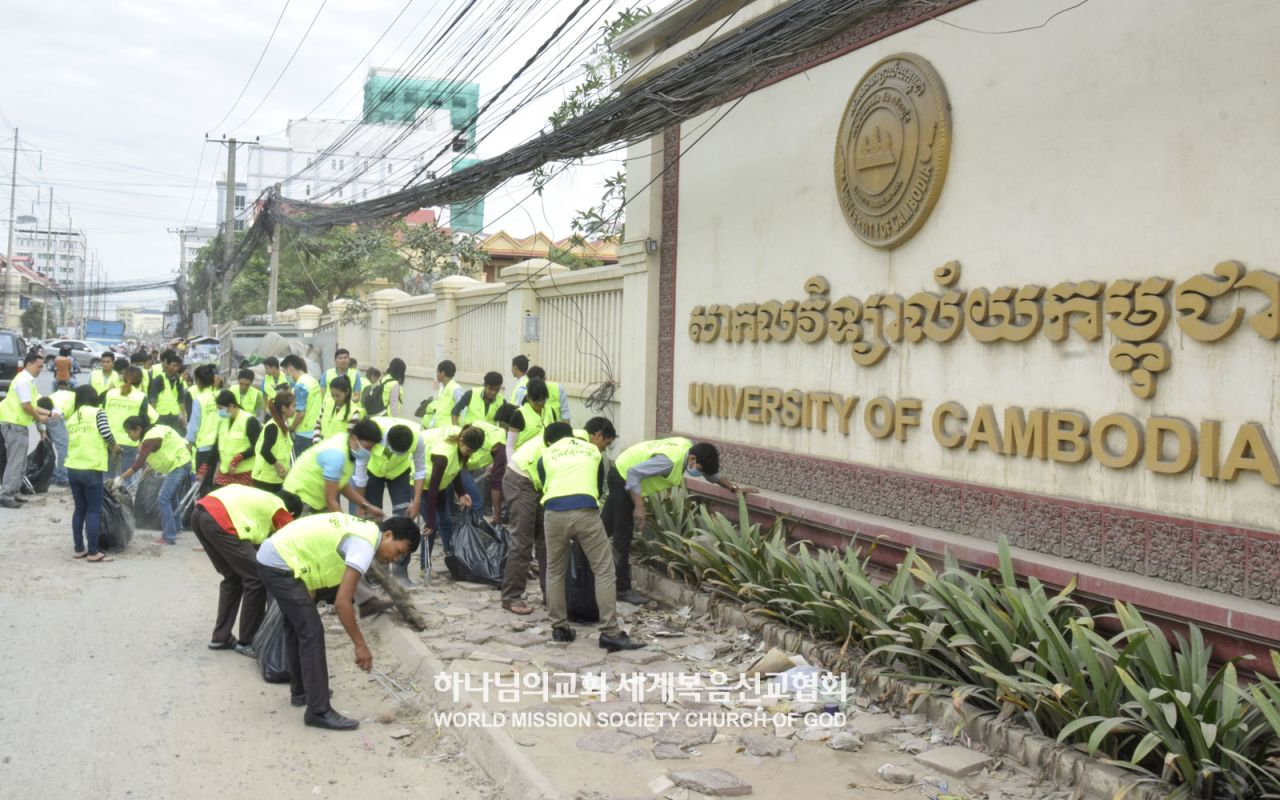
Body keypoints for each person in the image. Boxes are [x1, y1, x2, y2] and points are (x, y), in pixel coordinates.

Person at [256, 513, 421, 730]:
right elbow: (343, 602)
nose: (396, 559)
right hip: (279, 562)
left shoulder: (366, 532)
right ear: (388, 535)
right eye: (398, 551)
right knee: (312, 631)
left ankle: (302, 691)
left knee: (297, 625)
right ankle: (318, 710)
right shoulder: (364, 545)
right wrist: (360, 645)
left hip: (278, 556)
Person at [603, 438, 753, 605]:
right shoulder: (668, 462)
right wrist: (639, 505)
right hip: (623, 477)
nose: (698, 473)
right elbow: (633, 473)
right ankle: (623, 589)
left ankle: (581, 556)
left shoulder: (690, 448)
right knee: (622, 536)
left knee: (603, 528)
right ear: (692, 459)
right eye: (699, 469)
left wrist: (734, 489)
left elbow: (711, 474)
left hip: (624, 469)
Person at [536, 423, 640, 650]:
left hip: (554, 513)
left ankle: (560, 629)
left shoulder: (545, 454)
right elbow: (597, 485)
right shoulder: (592, 450)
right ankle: (610, 632)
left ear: (550, 441)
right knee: (604, 570)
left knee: (554, 570)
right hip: (585, 511)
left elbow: (546, 484)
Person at [501, 417, 615, 615]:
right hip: (521, 477)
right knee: (523, 540)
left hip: (540, 485)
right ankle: (512, 596)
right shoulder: (580, 442)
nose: (604, 450)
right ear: (597, 436)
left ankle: (553, 598)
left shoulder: (578, 440)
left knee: (546, 543)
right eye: (606, 444)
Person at [191, 484, 302, 654]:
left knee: (233, 577)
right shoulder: (280, 509)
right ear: (292, 514)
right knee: (256, 578)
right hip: (219, 520)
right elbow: (287, 545)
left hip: (200, 513)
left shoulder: (263, 498)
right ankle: (248, 641)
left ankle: (221, 637)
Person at [405, 425, 484, 584]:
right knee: (430, 527)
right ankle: (424, 566)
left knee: (447, 522)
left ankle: (453, 558)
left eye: (474, 451)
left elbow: (455, 471)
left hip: (439, 485)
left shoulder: (460, 449)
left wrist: (462, 493)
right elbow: (433, 489)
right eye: (469, 450)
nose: (470, 453)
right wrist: (431, 521)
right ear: (461, 441)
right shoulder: (443, 456)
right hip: (423, 486)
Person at [353, 417, 426, 585]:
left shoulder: (417, 438)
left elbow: (420, 470)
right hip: (373, 472)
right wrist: (362, 505)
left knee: (404, 519)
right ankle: (378, 574)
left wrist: (416, 501)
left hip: (399, 474)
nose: (397, 455)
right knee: (374, 522)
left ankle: (401, 573)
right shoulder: (372, 433)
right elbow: (360, 473)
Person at [116, 416, 193, 546]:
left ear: (138, 429)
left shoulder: (150, 438)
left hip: (179, 465)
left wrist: (121, 478)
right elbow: (161, 450)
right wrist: (151, 467)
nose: (129, 436)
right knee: (171, 497)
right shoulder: (156, 430)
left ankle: (169, 536)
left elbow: (138, 464)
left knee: (163, 498)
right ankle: (177, 528)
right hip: (182, 461)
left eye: (130, 432)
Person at [281, 419, 384, 516]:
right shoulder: (337, 455)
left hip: (313, 499)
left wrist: (368, 507)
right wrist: (346, 526)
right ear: (354, 439)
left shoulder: (346, 442)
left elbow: (342, 485)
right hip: (300, 499)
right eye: (367, 448)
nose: (369, 452)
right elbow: (331, 501)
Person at [65, 384, 116, 562]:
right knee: (93, 511)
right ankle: (93, 551)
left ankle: (79, 548)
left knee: (80, 509)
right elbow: (105, 432)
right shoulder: (98, 413)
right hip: (92, 468)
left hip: (73, 468)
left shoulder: (72, 417)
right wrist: (114, 445)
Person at [0, 351, 50, 507]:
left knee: (20, 461)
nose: (40, 369)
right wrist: (39, 417)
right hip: (13, 423)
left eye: (42, 367)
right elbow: (26, 405)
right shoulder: (23, 381)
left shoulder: (28, 381)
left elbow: (33, 405)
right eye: (38, 366)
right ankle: (6, 494)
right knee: (15, 461)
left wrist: (49, 413)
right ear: (29, 364)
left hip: (17, 424)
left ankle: (14, 492)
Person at [103, 366, 151, 480]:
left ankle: (104, 498)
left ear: (123, 378)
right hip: (130, 441)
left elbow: (102, 415)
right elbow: (143, 421)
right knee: (124, 478)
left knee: (106, 477)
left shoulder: (110, 393)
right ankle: (122, 498)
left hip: (109, 440)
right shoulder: (141, 397)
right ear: (140, 381)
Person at [185, 363, 220, 497]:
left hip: (204, 447)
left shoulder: (199, 400)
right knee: (215, 483)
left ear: (198, 381)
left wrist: (189, 443)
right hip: (219, 446)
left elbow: (194, 424)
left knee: (203, 484)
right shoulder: (220, 396)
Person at [214, 389, 261, 486]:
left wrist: (238, 458)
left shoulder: (249, 420)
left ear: (231, 406)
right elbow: (220, 446)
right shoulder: (223, 420)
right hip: (225, 472)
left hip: (244, 473)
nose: (219, 412)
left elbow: (257, 446)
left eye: (220, 408)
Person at [252, 389, 295, 494]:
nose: (296, 409)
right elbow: (265, 451)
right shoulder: (273, 427)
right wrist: (278, 465)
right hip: (265, 478)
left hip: (276, 478)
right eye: (293, 406)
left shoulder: (284, 425)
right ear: (284, 408)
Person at [283, 355, 322, 454]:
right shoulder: (312, 380)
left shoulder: (301, 386)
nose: (286, 376)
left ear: (290, 368)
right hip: (316, 430)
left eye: (285, 372)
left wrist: (292, 428)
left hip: (304, 433)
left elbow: (300, 414)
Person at [505, 378, 549, 460]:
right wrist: (511, 464)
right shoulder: (519, 415)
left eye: (543, 400)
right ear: (528, 397)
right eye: (536, 400)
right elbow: (510, 445)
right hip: (523, 461)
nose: (540, 403)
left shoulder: (550, 411)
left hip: (544, 460)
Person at [45, 380, 76, 487]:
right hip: (58, 418)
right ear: (68, 386)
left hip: (47, 418)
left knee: (48, 447)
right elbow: (72, 414)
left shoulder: (52, 395)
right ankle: (62, 477)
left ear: (57, 386)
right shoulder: (73, 395)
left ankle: (52, 474)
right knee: (63, 448)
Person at [148, 351, 185, 430]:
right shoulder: (158, 379)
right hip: (160, 416)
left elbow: (181, 400)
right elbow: (152, 399)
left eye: (178, 366)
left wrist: (183, 416)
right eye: (174, 365)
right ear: (167, 365)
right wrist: (153, 418)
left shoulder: (179, 381)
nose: (176, 368)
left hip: (175, 416)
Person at [421, 360, 461, 429]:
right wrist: (431, 425)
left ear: (442, 373)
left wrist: (457, 429)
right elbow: (438, 411)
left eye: (437, 372)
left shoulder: (456, 389)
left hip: (449, 431)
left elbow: (462, 411)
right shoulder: (442, 389)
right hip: (439, 429)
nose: (436, 374)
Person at [316, 375, 358, 440]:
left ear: (347, 392)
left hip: (338, 448)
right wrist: (316, 442)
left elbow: (350, 438)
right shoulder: (327, 402)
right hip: (321, 446)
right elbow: (318, 424)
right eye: (332, 395)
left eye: (338, 395)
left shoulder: (354, 412)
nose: (335, 398)